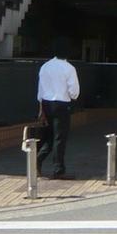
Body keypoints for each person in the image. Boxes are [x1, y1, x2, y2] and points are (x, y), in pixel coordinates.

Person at [36, 37, 80, 179]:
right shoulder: (69, 68)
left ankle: (37, 160)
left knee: (50, 136)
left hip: (46, 104)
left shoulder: (45, 66)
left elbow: (40, 90)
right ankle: (58, 170)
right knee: (60, 138)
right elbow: (74, 92)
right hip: (61, 105)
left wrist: (41, 109)